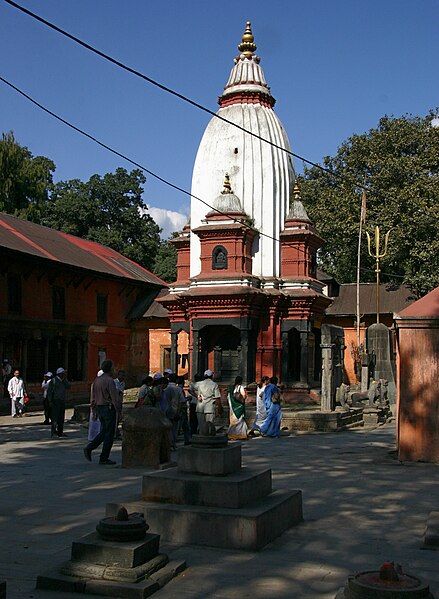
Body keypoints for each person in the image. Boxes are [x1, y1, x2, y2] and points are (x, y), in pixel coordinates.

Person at [83, 360, 119, 465]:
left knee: (104, 431)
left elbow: (93, 398)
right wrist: (118, 410)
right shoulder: (109, 381)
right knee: (109, 434)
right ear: (110, 369)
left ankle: (93, 449)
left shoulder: (96, 381)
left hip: (99, 407)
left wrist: (93, 410)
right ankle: (101, 455)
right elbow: (114, 398)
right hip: (108, 408)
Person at [163, 373, 187, 449]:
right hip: (175, 410)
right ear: (176, 380)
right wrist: (178, 412)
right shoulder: (178, 389)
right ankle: (172, 443)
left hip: (166, 410)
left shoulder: (165, 389)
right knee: (175, 429)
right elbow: (181, 402)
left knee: (167, 428)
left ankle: (168, 444)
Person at [47, 367, 70, 437]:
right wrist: (50, 401)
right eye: (62, 374)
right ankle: (53, 432)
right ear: (59, 374)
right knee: (55, 418)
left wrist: (65, 380)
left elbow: (68, 386)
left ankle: (60, 432)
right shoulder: (53, 381)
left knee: (61, 418)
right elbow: (49, 392)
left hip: (62, 401)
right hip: (55, 401)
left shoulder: (64, 381)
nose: (63, 375)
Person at [227, 375, 248, 440]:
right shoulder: (240, 387)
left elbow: (228, 398)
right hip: (239, 406)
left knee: (233, 422)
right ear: (241, 381)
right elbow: (244, 396)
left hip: (232, 408)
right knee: (240, 421)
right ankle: (241, 435)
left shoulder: (231, 388)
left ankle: (232, 435)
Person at [113, 369, 125, 439]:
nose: (123, 377)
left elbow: (121, 393)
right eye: (122, 375)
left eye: (124, 376)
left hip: (119, 401)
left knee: (118, 417)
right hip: (115, 401)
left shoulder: (123, 383)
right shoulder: (114, 382)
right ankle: (114, 433)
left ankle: (116, 432)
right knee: (115, 417)